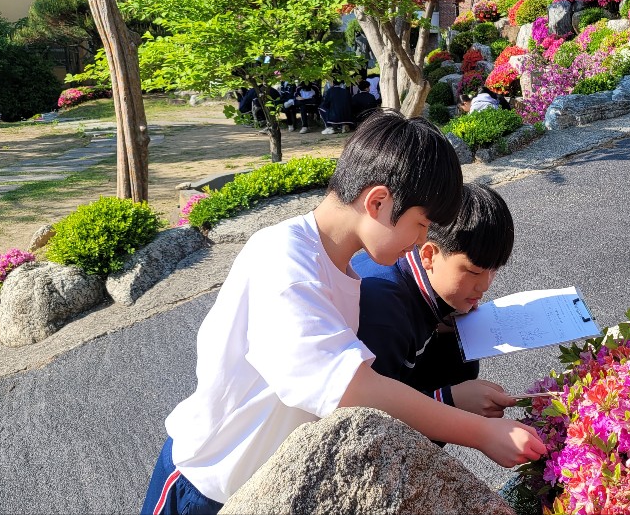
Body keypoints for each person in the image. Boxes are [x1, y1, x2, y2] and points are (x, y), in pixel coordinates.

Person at [139, 111, 545, 515]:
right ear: (378, 201)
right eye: (421, 224)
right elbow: (351, 391)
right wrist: (480, 432)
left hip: (264, 488)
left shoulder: (337, 265)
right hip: (207, 482)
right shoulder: (286, 263)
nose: (422, 240)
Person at [351, 183, 515, 424]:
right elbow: (365, 416)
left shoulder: (410, 272)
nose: (485, 286)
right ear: (429, 255)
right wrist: (448, 401)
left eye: (494, 270)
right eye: (474, 271)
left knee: (459, 344)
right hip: (353, 422)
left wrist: (444, 321)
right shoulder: (384, 311)